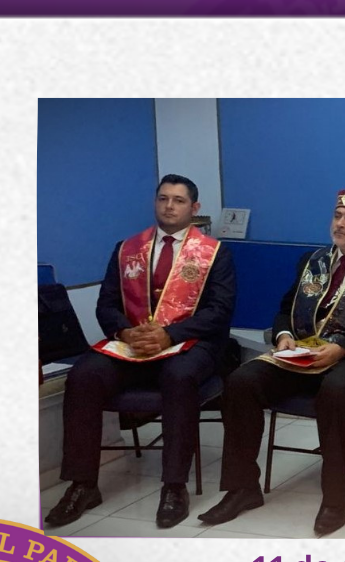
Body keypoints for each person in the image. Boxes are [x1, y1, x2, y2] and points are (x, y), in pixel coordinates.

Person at [200, 190, 345, 536]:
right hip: (304, 354)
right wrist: (284, 335)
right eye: (337, 216)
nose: (340, 224)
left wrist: (343, 349)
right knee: (242, 380)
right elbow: (286, 308)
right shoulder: (313, 261)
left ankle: (335, 495)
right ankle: (242, 488)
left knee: (337, 387)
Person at [46, 174, 236, 530]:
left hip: (190, 344)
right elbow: (106, 305)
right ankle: (82, 484)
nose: (169, 206)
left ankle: (174, 486)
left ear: (194, 208)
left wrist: (169, 334)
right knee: (84, 375)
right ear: (155, 202)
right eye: (163, 198)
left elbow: (219, 311)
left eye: (179, 200)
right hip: (132, 344)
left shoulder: (214, 253)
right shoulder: (127, 249)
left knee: (178, 377)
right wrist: (126, 331)